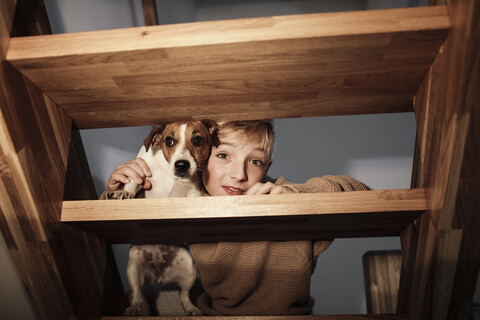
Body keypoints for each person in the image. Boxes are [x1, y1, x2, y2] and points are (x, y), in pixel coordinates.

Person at [101, 120, 369, 315]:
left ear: (267, 167)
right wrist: (117, 190)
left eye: (255, 161)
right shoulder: (194, 202)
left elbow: (358, 190)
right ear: (203, 156)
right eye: (224, 155)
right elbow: (132, 223)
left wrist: (291, 196)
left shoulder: (281, 196)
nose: (239, 174)